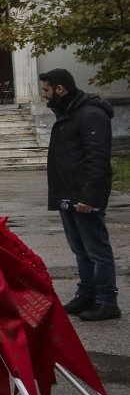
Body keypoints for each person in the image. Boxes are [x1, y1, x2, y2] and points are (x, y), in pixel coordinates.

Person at [41, 68, 119, 321]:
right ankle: (87, 294)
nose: (45, 95)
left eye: (47, 90)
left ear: (60, 89)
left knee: (97, 251)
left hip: (84, 197)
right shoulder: (68, 114)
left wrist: (88, 198)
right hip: (68, 195)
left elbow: (97, 160)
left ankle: (107, 301)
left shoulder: (91, 115)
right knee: (80, 250)